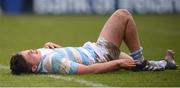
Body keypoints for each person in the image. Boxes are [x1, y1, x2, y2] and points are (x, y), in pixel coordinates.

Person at [10, 9, 178, 75]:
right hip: (99, 54)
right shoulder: (51, 62)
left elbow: (67, 58)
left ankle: (166, 63)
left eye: (29, 50)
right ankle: (142, 62)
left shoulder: (44, 58)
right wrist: (117, 63)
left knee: (136, 65)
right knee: (122, 15)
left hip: (94, 51)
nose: (32, 50)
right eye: (30, 54)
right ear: (34, 67)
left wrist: (53, 48)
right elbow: (87, 69)